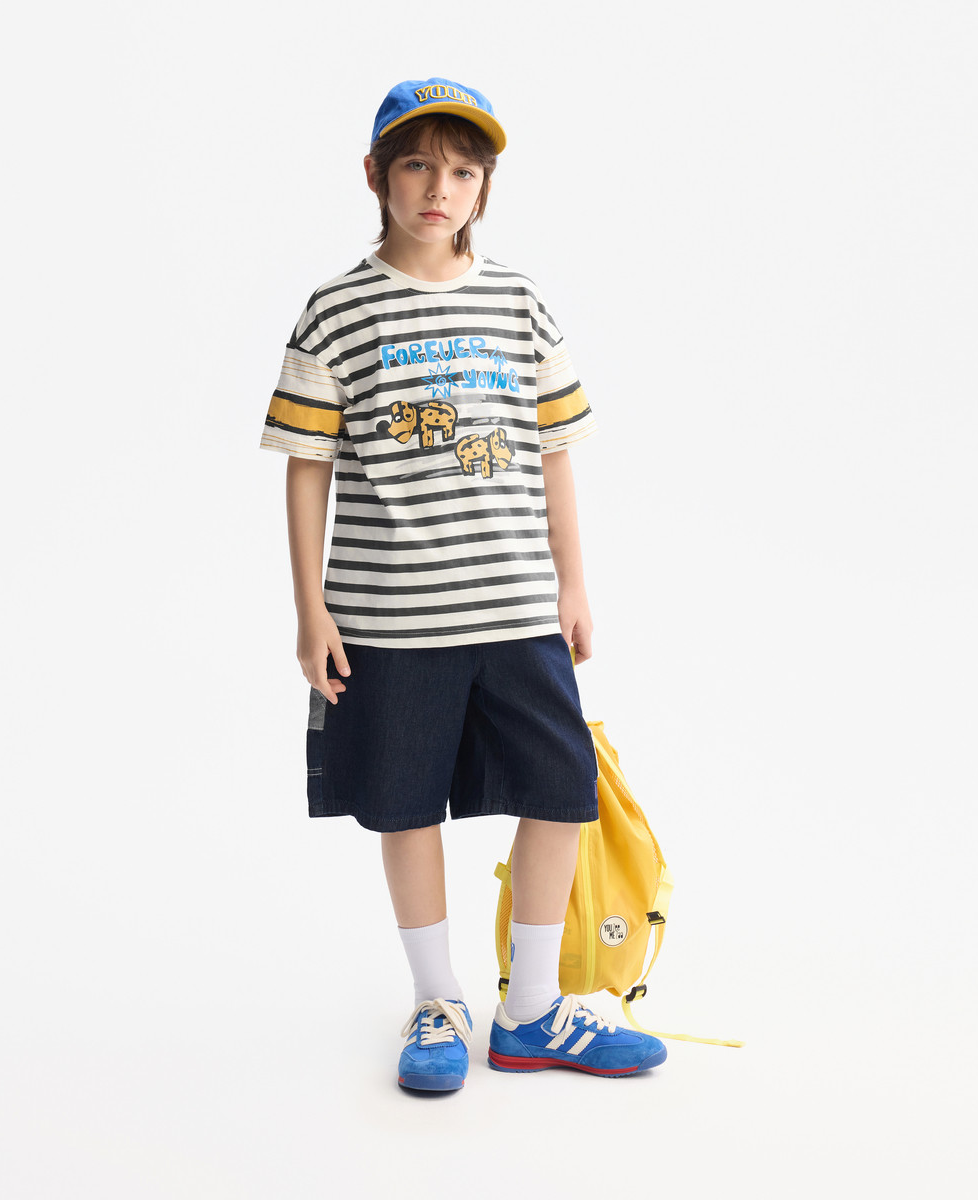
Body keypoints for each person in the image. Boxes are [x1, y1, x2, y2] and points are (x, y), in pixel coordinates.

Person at [260, 77, 667, 1091]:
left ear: (484, 188)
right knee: (405, 806)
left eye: (461, 171)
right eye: (416, 166)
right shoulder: (336, 311)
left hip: (517, 608)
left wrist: (573, 585)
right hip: (391, 616)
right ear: (375, 176)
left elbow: (554, 453)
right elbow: (307, 467)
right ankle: (437, 1000)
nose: (438, 189)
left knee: (562, 789)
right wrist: (310, 609)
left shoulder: (518, 301)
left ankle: (530, 1011)